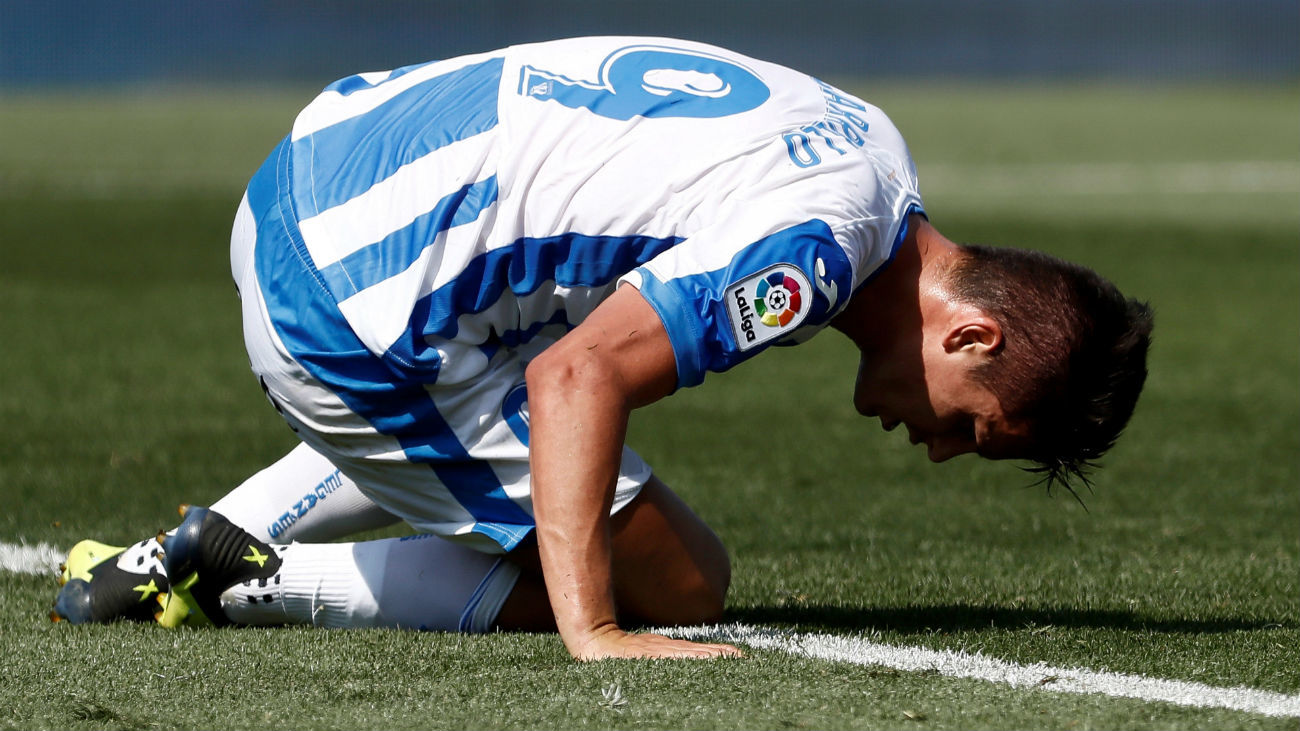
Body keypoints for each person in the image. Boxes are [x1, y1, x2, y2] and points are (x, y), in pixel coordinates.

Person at [50, 36, 1153, 661]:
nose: (939, 449)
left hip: (326, 164)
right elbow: (575, 377)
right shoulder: (816, 253)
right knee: (679, 573)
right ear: (970, 331)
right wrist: (598, 627)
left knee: (541, 381)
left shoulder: (869, 144)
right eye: (972, 425)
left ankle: (207, 538)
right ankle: (249, 580)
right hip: (346, 297)